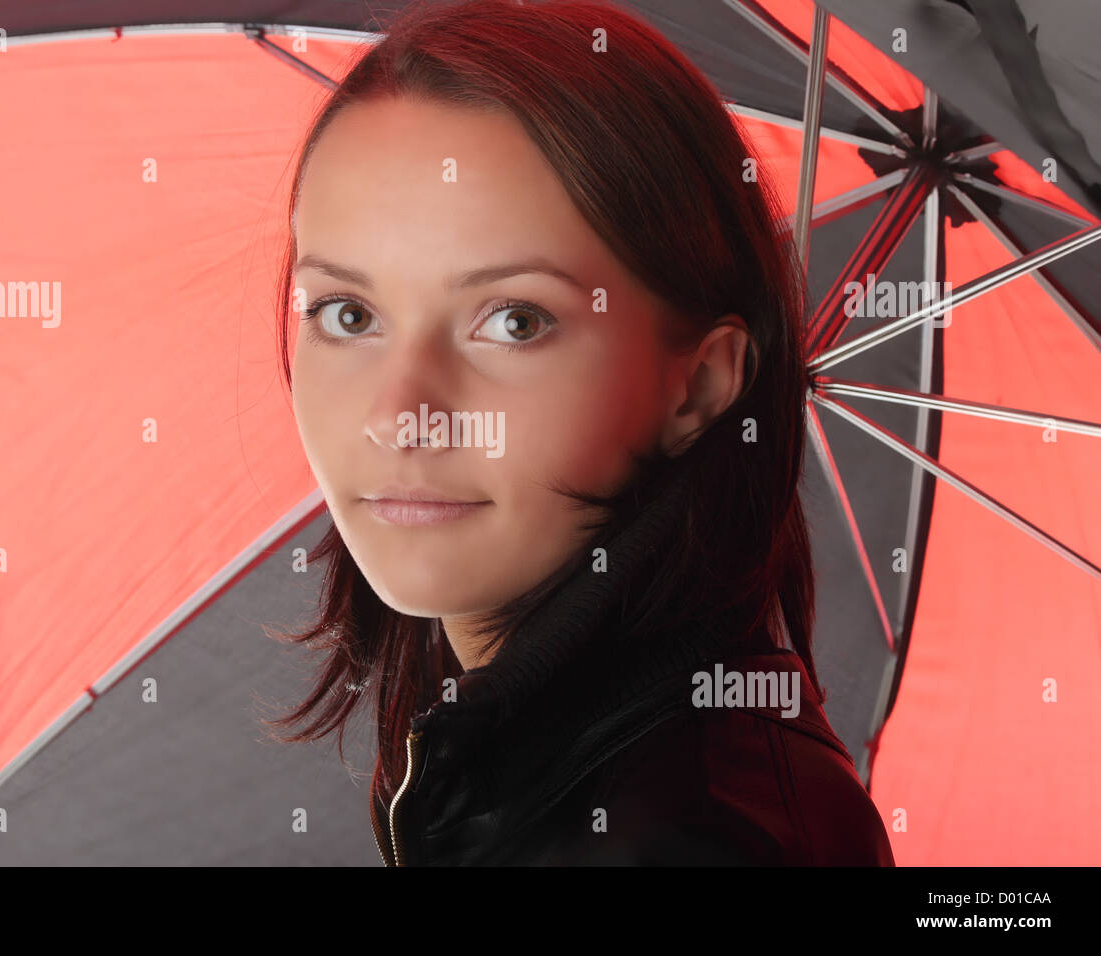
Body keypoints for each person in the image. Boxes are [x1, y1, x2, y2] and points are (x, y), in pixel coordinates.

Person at [261, 0, 896, 866]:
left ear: (699, 385)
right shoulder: (538, 768)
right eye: (348, 313)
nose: (399, 414)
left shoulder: (687, 840)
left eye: (516, 321)